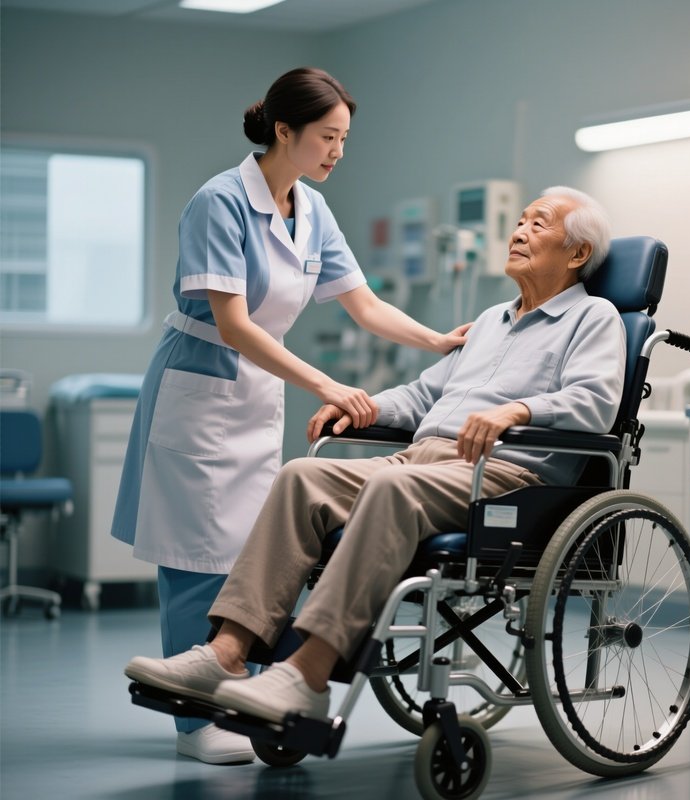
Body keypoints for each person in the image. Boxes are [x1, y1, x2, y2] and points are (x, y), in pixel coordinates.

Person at [124, 186, 626, 735]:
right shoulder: (490, 321)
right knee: (302, 478)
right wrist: (357, 407)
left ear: (577, 254)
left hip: (509, 475)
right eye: (522, 220)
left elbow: (595, 403)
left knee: (390, 492)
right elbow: (422, 396)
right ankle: (225, 651)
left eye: (540, 223)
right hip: (424, 461)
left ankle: (307, 677)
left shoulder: (594, 317)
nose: (520, 230)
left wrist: (519, 410)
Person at [111, 67, 469, 765]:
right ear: (284, 131)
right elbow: (236, 324)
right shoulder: (219, 202)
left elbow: (363, 304)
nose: (339, 151)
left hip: (254, 393)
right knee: (196, 554)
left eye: (344, 139)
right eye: (328, 137)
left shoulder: (311, 208)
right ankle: (193, 726)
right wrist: (328, 385)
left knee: (249, 549)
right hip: (201, 385)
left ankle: (238, 684)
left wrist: (439, 341)